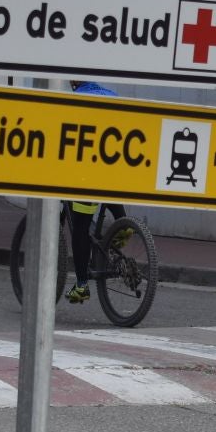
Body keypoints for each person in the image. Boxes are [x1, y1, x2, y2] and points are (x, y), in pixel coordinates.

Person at [64, 81, 119, 304]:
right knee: (110, 188)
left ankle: (81, 285)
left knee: (80, 228)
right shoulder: (112, 94)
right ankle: (123, 226)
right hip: (117, 166)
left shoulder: (76, 99)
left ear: (74, 81)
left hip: (90, 171)